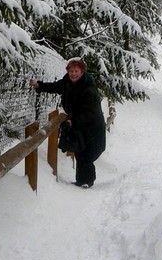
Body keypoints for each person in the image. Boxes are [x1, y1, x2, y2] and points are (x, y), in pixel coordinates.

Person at [30, 58, 106, 188]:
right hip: (79, 123)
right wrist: (40, 85)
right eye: (71, 71)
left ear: (82, 72)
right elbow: (56, 86)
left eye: (76, 71)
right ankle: (82, 181)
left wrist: (74, 120)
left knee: (87, 153)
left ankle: (88, 181)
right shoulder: (67, 82)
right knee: (79, 151)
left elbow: (92, 113)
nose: (73, 74)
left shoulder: (89, 90)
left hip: (92, 126)